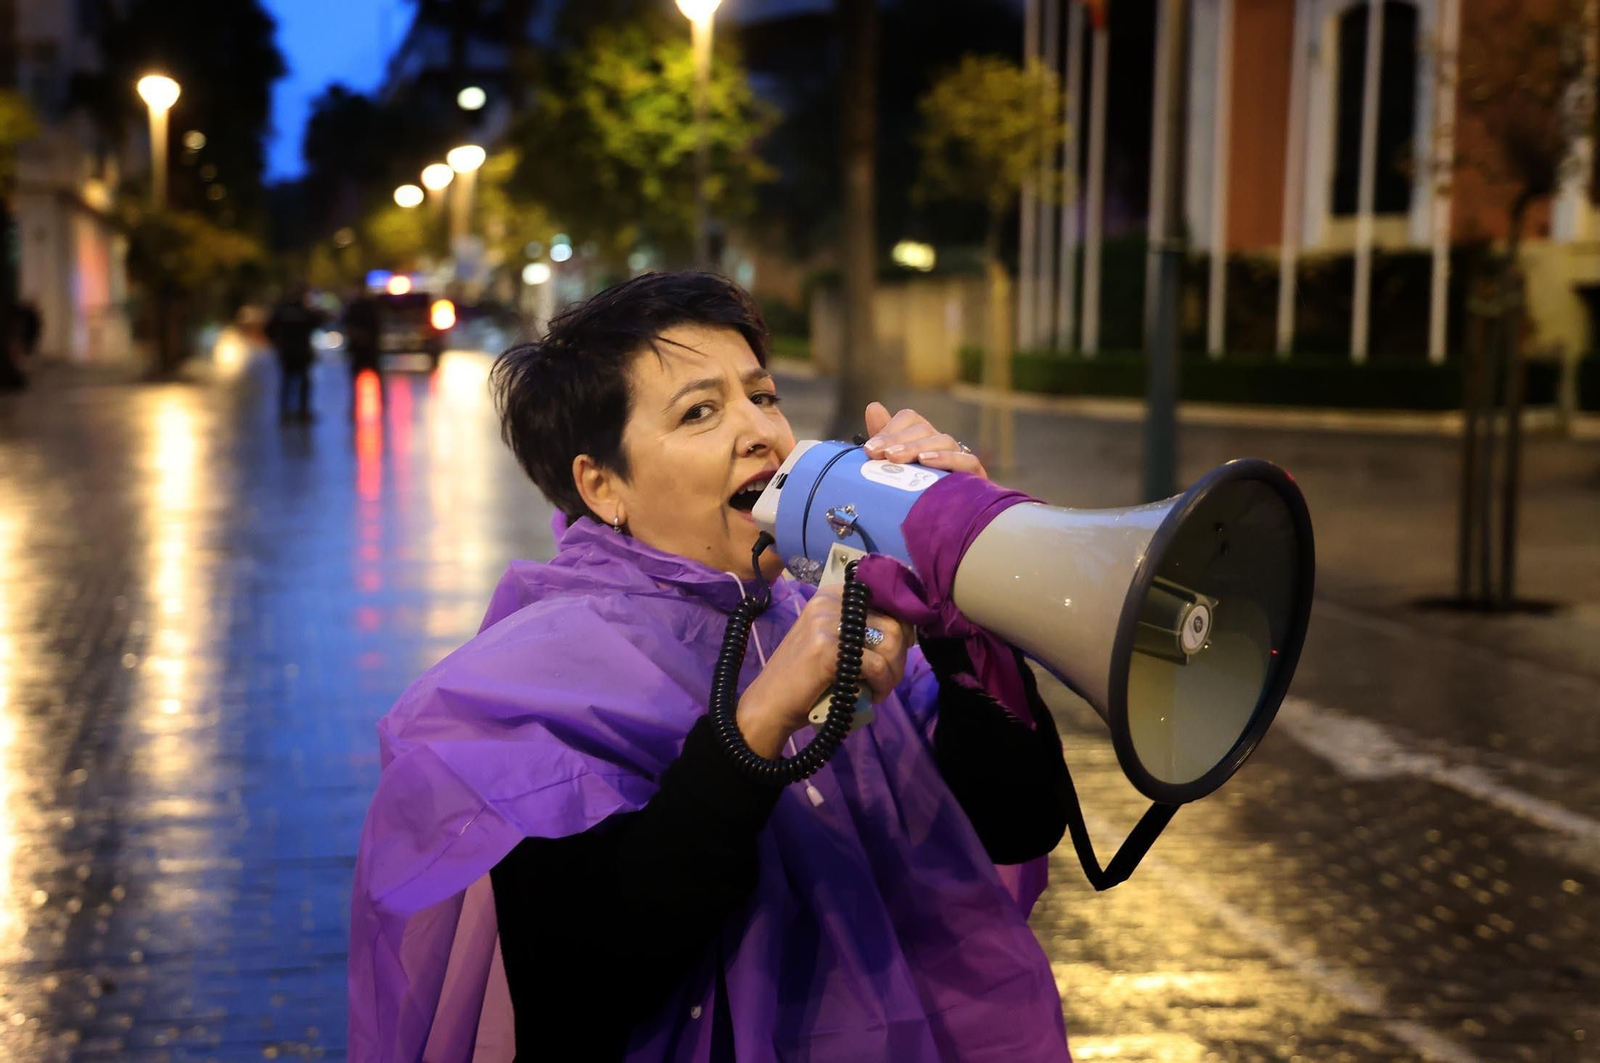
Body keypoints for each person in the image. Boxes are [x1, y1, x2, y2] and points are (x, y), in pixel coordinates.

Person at [348, 271, 1075, 1062]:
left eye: (762, 396)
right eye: (700, 411)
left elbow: (1017, 820)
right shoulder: (526, 684)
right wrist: (759, 725)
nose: (760, 430)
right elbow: (579, 981)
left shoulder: (830, 602)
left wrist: (960, 604)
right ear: (603, 485)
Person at [265, 283, 320, 422]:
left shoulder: (283, 310)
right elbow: (316, 323)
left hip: (288, 352)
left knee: (288, 383)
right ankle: (301, 412)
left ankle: (287, 412)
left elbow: (269, 329)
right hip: (299, 352)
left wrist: (277, 344)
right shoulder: (303, 310)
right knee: (301, 383)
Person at [341, 286, 382, 414]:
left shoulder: (370, 306)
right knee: (355, 377)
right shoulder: (355, 307)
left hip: (368, 348)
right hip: (359, 348)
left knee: (375, 375)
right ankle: (355, 405)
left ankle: (380, 402)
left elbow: (377, 326)